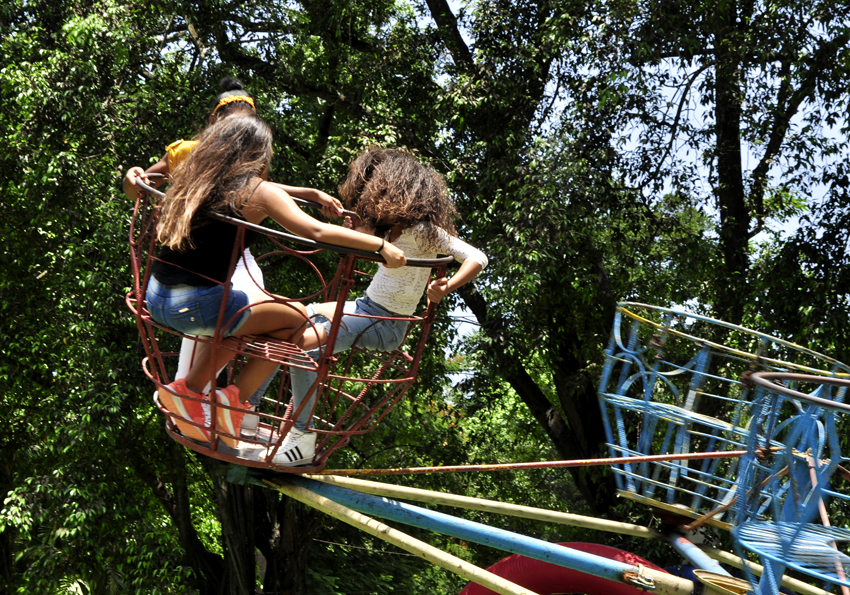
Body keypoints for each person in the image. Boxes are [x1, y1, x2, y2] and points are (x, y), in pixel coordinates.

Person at [127, 114, 406, 448]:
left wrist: (132, 175)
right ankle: (228, 400)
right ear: (258, 156)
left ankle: (191, 391)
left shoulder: (191, 176)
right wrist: (379, 244)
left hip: (155, 298)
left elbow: (137, 186)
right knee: (297, 319)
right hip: (195, 306)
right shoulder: (256, 191)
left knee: (261, 318)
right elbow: (315, 232)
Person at [124, 77, 343, 442]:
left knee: (249, 321)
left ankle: (212, 401)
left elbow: (253, 189)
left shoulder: (241, 164)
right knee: (248, 320)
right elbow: (141, 183)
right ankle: (202, 400)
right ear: (215, 125)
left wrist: (308, 191)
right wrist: (133, 176)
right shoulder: (188, 154)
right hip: (198, 264)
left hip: (210, 261)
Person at [269, 147, 488, 466]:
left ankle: (302, 436)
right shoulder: (381, 226)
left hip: (387, 324)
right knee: (292, 318)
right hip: (365, 306)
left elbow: (478, 257)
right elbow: (346, 235)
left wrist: (446, 286)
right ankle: (245, 409)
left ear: (397, 190)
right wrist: (337, 215)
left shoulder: (428, 233)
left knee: (305, 349)